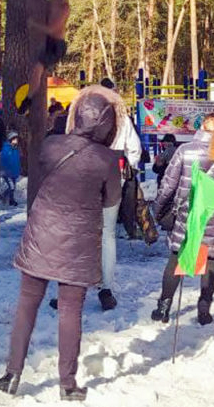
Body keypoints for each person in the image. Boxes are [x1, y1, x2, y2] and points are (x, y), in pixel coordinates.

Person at [0, 88, 121, 401]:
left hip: (42, 232)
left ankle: (12, 373)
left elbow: (42, 174)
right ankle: (67, 384)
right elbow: (112, 201)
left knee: (27, 304)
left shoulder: (51, 145)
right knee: (70, 311)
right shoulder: (107, 159)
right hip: (79, 241)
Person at [152, 113, 214, 326]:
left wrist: (158, 208)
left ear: (201, 127)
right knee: (210, 261)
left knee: (177, 258)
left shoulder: (185, 150)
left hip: (186, 213)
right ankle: (204, 308)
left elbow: (168, 185)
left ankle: (164, 306)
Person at [78, 80, 141, 311]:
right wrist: (128, 169)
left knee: (81, 232)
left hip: (86, 175)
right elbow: (134, 148)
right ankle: (106, 288)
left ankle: (74, 287)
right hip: (113, 172)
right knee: (107, 234)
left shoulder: (85, 115)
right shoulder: (122, 118)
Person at [17, 0, 74, 115]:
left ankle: (28, 100)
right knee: (37, 70)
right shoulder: (54, 1)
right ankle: (29, 98)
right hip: (48, 42)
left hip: (57, 45)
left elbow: (51, 29)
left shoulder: (65, 8)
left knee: (38, 68)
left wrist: (34, 25)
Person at [0, 131, 21, 207]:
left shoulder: (16, 149)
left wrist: (18, 169)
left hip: (14, 171)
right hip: (7, 172)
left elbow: (17, 161)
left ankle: (9, 199)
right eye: (15, 139)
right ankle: (8, 199)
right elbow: (4, 160)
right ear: (10, 139)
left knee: (13, 187)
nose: (16, 140)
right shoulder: (6, 148)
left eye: (17, 139)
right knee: (11, 187)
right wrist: (4, 170)